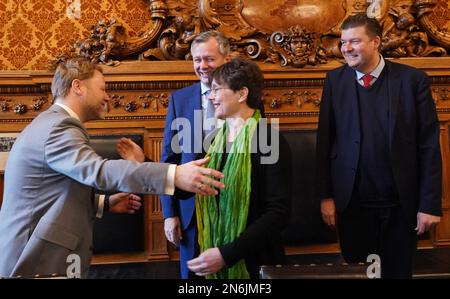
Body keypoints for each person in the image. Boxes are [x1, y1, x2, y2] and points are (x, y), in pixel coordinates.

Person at [0, 57, 224, 279]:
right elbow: (98, 172)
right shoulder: (58, 126)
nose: (107, 96)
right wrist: (175, 174)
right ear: (78, 86)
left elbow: (53, 188)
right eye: (103, 89)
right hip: (35, 258)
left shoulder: (52, 123)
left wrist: (104, 203)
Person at [315, 14, 442, 278]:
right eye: (343, 42)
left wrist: (429, 204)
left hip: (401, 206)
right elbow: (325, 141)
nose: (346, 48)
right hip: (353, 206)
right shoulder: (335, 81)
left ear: (376, 42)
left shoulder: (412, 80)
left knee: (396, 274)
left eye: (354, 41)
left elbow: (429, 145)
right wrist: (326, 196)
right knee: (361, 274)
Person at [186, 58, 291, 279]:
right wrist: (145, 163)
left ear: (242, 94)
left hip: (255, 264)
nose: (211, 96)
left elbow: (277, 214)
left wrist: (227, 254)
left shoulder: (268, 139)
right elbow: (191, 181)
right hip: (212, 257)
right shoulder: (214, 140)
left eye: (216, 89)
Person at [160, 31, 231, 278]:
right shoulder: (180, 100)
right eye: (196, 60)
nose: (202, 66)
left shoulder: (245, 97)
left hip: (233, 210)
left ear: (226, 59)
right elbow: (169, 161)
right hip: (190, 214)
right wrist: (170, 214)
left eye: (209, 59)